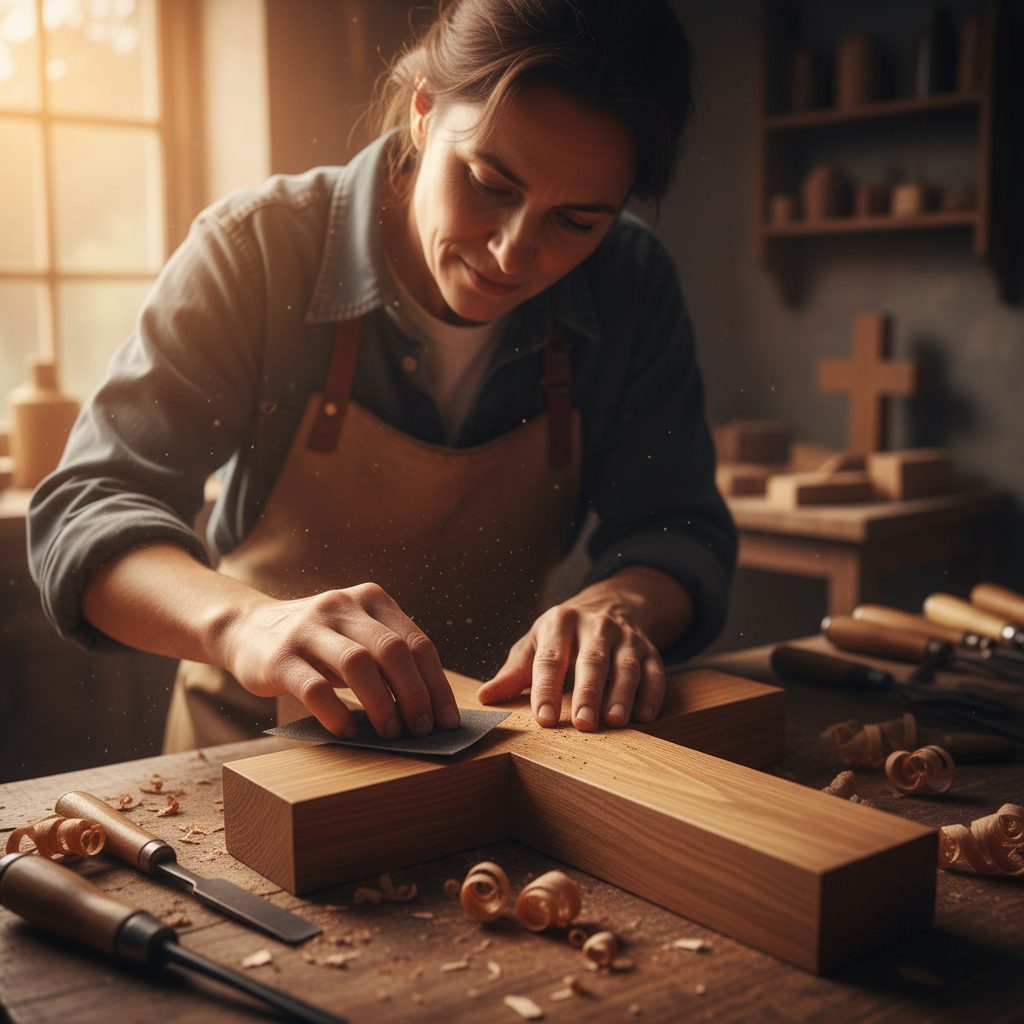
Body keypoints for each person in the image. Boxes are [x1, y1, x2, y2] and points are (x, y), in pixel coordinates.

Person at [27, 0, 736, 751]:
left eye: (576, 222)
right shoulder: (259, 253)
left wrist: (621, 604)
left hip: (496, 751)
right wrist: (246, 622)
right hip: (249, 753)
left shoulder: (630, 281)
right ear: (425, 110)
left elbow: (677, 528)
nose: (511, 253)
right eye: (490, 183)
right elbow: (87, 512)